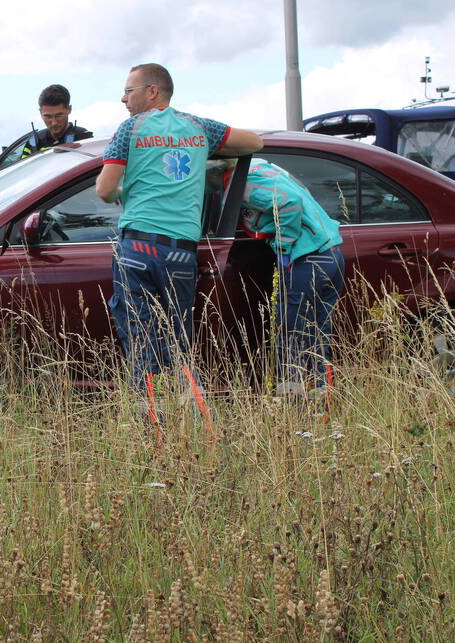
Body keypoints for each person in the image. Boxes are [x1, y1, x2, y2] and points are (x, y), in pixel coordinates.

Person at [94, 63, 263, 422]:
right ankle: (197, 420)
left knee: (142, 338)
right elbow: (255, 142)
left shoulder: (130, 129)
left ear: (152, 91)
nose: (123, 99)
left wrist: (127, 190)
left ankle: (149, 423)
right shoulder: (198, 127)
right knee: (178, 342)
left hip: (138, 246)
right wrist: (211, 158)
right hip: (182, 252)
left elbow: (104, 190)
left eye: (129, 91)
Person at [239, 158, 344, 398]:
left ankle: (292, 400)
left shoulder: (243, 182)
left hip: (305, 257)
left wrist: (282, 246)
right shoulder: (267, 169)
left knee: (290, 333)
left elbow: (290, 203)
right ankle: (322, 395)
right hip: (331, 253)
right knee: (319, 333)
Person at [20, 84, 93, 158]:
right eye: (48, 116)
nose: (54, 122)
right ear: (40, 112)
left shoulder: (84, 138)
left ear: (69, 109)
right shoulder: (33, 143)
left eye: (59, 115)